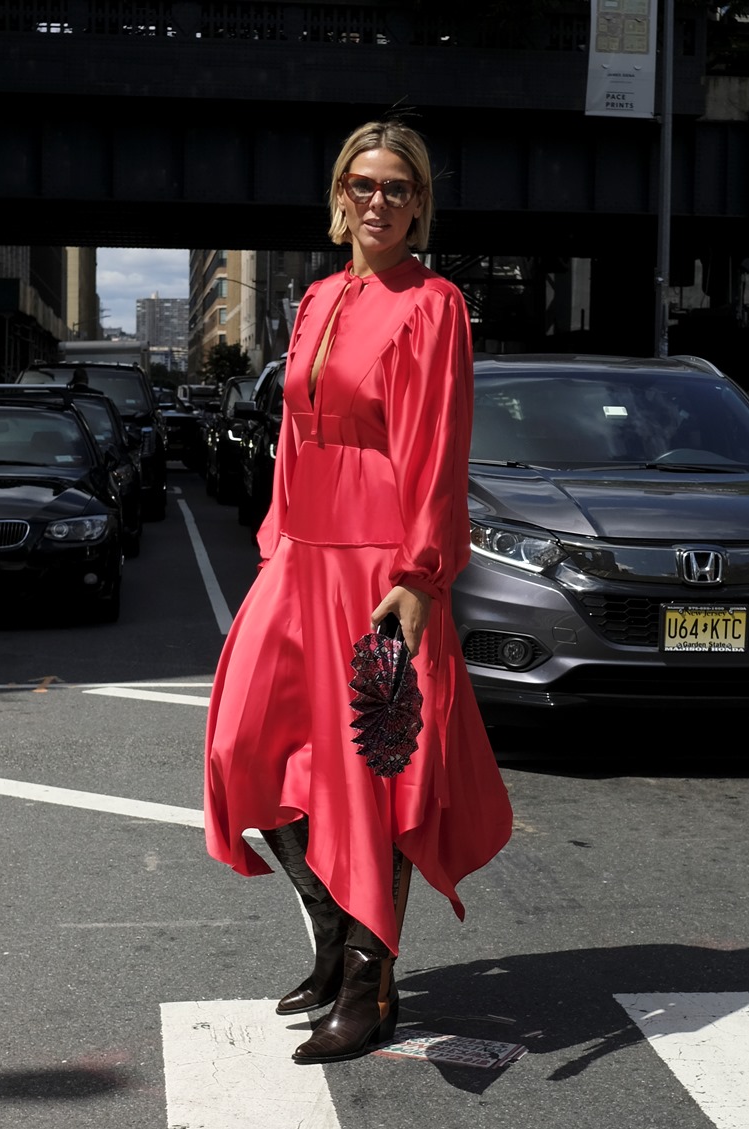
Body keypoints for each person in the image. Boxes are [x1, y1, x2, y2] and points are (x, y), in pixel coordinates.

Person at [204, 119, 513, 1065]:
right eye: (363, 184)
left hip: (382, 566)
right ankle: (333, 931)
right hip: (302, 557)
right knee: (242, 743)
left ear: (419, 203)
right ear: (340, 193)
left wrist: (420, 577)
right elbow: (296, 437)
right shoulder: (316, 297)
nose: (379, 201)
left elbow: (436, 447)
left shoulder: (433, 304)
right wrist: (276, 544)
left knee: (374, 774)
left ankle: (367, 984)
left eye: (397, 187)